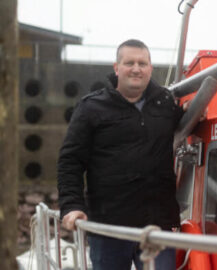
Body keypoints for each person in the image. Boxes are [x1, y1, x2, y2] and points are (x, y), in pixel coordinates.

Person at [57, 39, 183, 270]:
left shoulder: (165, 104)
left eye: (142, 63)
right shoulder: (91, 108)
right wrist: (72, 206)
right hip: (109, 227)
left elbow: (188, 123)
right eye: (129, 63)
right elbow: (70, 161)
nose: (136, 68)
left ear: (150, 69)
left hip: (157, 226)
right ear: (117, 68)